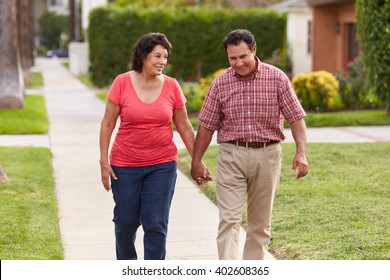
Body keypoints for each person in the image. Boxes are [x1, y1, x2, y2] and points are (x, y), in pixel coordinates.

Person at [190, 29, 309, 260]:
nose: (238, 63)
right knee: (229, 220)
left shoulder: (277, 78)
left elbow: (296, 117)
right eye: (233, 58)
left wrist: (301, 152)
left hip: (268, 155)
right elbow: (206, 125)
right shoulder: (220, 83)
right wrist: (196, 161)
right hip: (231, 155)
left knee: (260, 224)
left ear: (254, 50)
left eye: (243, 56)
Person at [99, 32, 209, 260]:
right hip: (125, 165)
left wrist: (196, 160)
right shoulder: (121, 82)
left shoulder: (171, 86)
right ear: (143, 56)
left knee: (156, 223)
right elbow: (108, 124)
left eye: (165, 56)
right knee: (125, 222)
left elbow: (185, 126)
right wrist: (103, 161)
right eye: (157, 56)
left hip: (162, 164)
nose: (162, 61)